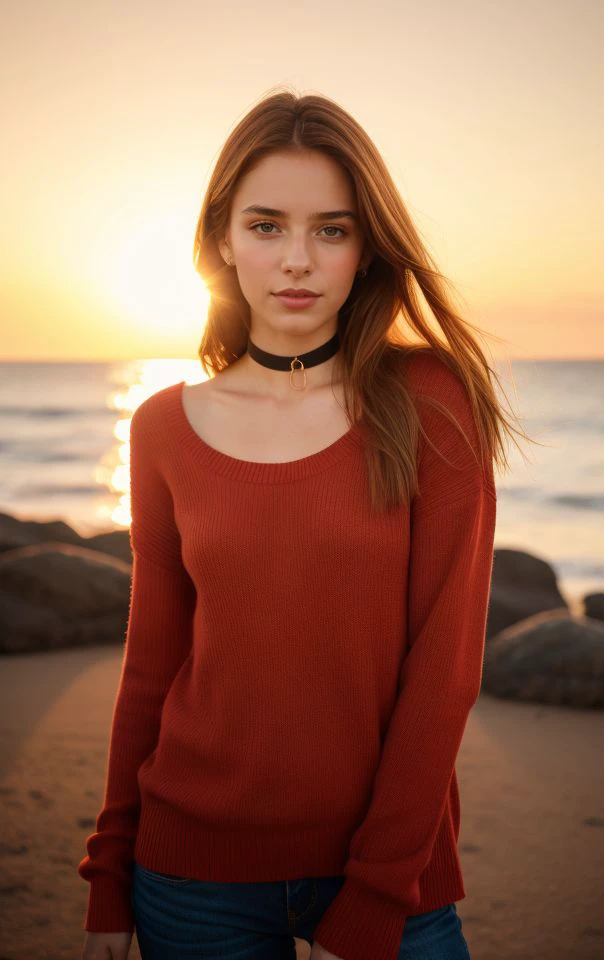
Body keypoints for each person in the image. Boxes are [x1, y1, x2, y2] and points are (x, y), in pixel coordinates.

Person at [78, 89, 528, 960]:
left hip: (388, 885)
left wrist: (373, 895)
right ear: (220, 239)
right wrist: (109, 872)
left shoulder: (430, 402)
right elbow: (154, 660)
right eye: (266, 225)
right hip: (189, 877)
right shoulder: (163, 424)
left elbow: (445, 669)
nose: (297, 260)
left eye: (331, 229)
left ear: (366, 249)